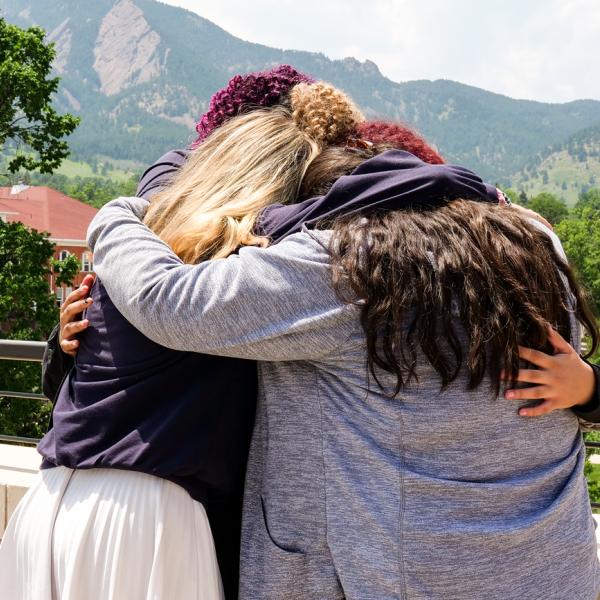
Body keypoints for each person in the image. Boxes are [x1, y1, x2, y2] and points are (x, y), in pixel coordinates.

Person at [83, 139, 600, 597]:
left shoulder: (344, 266)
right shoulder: (533, 243)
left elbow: (168, 302)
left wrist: (120, 214)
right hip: (558, 565)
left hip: (409, 577)